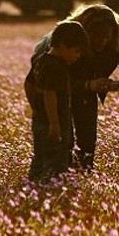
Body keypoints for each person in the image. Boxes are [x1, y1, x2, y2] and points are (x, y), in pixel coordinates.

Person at [29, 4, 119, 171]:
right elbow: (53, 84)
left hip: (87, 88)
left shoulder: (118, 33)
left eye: (106, 37)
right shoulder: (66, 42)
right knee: (61, 136)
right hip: (56, 90)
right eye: (95, 37)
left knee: (87, 138)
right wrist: (88, 85)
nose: (101, 42)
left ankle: (81, 171)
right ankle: (55, 174)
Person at [25, 20, 89, 181]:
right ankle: (49, 190)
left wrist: (36, 108)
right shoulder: (57, 67)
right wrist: (54, 123)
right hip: (57, 123)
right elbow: (50, 94)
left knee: (40, 157)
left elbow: (28, 85)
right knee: (57, 161)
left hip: (39, 120)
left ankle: (33, 184)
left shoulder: (40, 61)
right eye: (76, 51)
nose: (78, 56)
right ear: (62, 45)